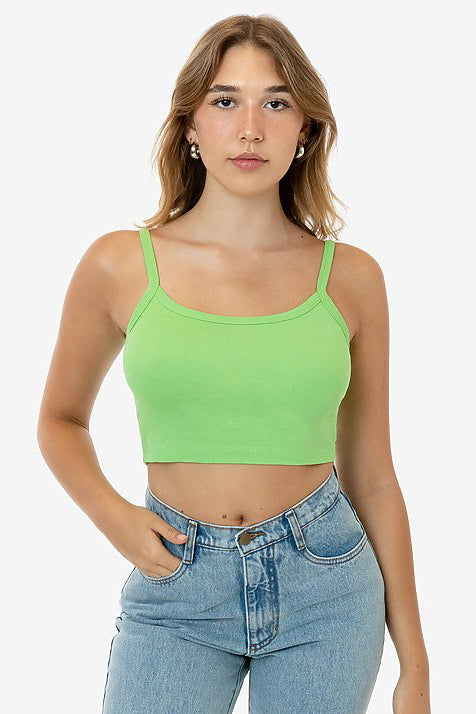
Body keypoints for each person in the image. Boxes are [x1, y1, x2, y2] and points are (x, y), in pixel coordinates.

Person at [36, 13, 430, 714]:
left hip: (327, 587)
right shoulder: (119, 265)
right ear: (190, 124)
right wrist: (114, 517)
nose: (251, 128)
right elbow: (60, 419)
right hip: (176, 581)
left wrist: (416, 665)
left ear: (305, 129)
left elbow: (372, 474)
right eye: (225, 101)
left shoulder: (352, 279)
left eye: (276, 103)